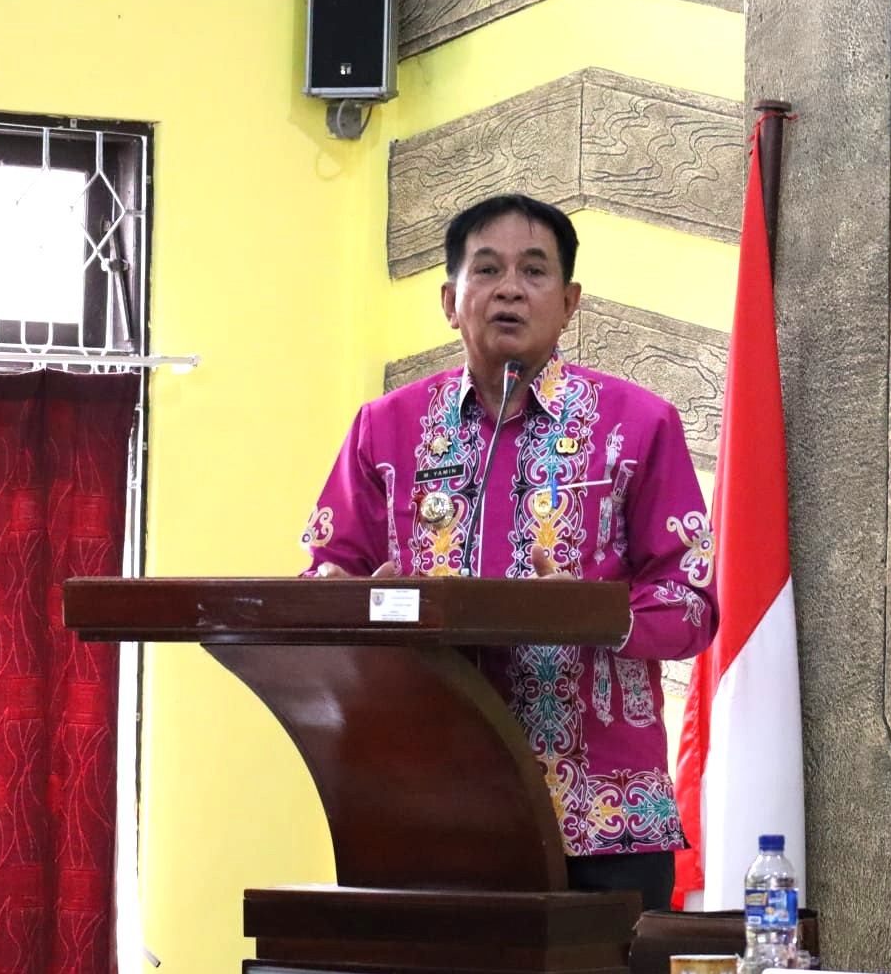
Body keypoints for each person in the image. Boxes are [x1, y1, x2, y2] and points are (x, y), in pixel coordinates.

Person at [301, 193, 718, 909]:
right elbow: (323, 575)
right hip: (427, 803)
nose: (510, 290)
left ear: (570, 302)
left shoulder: (640, 424)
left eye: (534, 271)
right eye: (487, 269)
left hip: (602, 816)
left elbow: (692, 603)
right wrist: (352, 600)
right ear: (450, 300)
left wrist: (592, 614)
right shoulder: (385, 429)